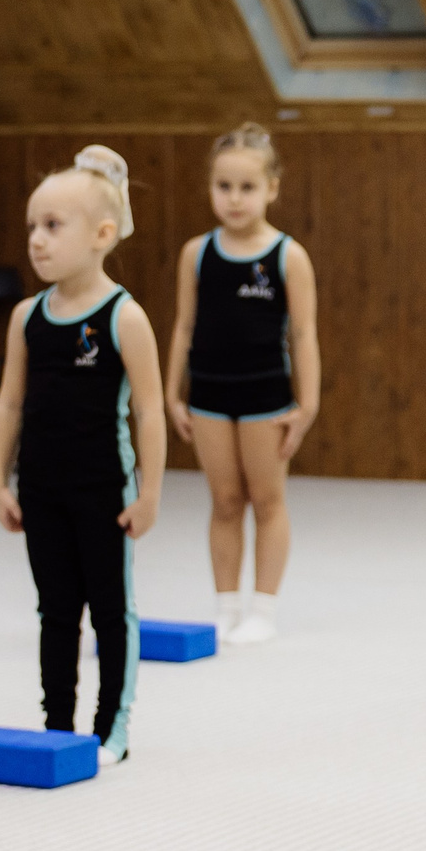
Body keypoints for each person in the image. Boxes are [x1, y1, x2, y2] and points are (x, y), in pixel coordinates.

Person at [0, 148, 168, 764]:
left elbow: (149, 411)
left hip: (102, 491)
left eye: (53, 227)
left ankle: (110, 725)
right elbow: (11, 404)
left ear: (102, 235)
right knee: (56, 610)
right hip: (41, 488)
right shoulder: (26, 318)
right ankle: (57, 722)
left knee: (111, 611)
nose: (37, 241)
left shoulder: (126, 318)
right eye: (33, 227)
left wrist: (149, 494)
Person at [164, 124, 320, 645]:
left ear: (272, 188)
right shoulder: (197, 253)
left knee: (267, 499)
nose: (234, 199)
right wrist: (172, 392)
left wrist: (308, 403)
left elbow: (303, 333)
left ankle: (264, 608)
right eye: (223, 186)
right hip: (208, 393)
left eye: (247, 187)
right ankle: (225, 603)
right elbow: (184, 325)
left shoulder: (287, 257)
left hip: (265, 397)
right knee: (225, 500)